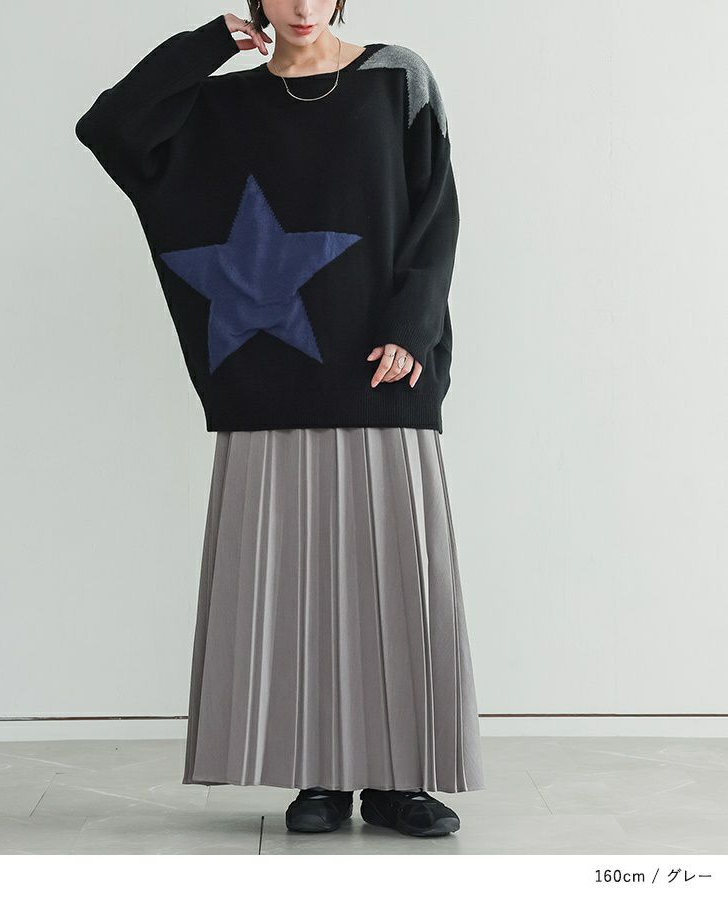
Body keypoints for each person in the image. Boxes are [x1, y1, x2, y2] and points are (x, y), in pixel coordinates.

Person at [74, 0, 485, 839]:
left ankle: (402, 781)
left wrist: (412, 326)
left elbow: (435, 209)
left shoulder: (395, 77)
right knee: (298, 586)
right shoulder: (221, 104)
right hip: (270, 374)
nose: (301, 5)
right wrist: (203, 47)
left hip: (382, 364)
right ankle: (320, 776)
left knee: (397, 577)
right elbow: (110, 128)